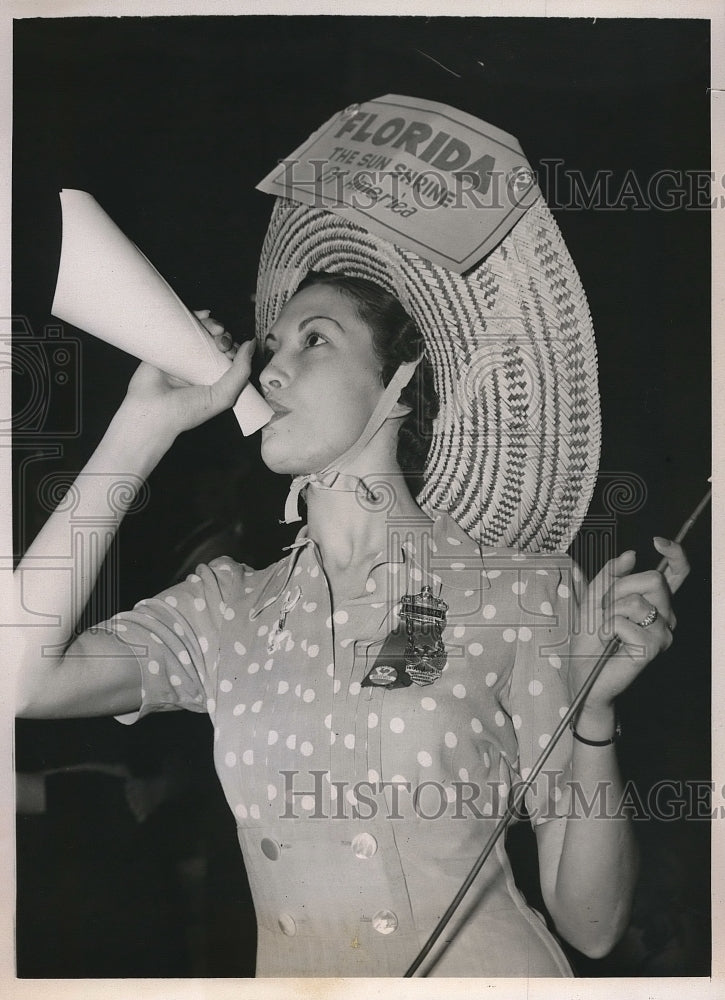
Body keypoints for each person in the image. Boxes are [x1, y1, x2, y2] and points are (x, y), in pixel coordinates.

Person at [14, 187, 689, 977]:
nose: (270, 370)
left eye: (314, 341)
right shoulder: (225, 608)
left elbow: (592, 924)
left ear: (398, 381)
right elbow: (18, 680)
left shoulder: (519, 591)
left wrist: (594, 713)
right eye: (270, 347)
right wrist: (140, 428)